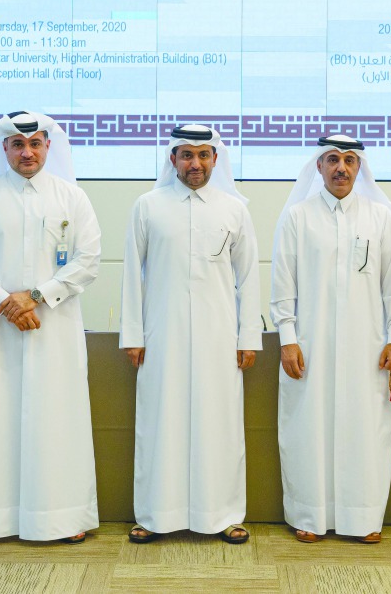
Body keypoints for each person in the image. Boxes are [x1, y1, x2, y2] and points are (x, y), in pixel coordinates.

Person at [0, 111, 101, 545]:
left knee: (56, 418)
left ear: (49, 147)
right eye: (18, 144)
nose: (28, 151)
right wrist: (5, 303)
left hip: (54, 328)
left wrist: (34, 297)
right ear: (5, 149)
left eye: (36, 143)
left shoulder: (72, 197)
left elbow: (88, 260)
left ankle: (62, 517)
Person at [120, 124, 263, 544]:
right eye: (186, 155)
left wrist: (248, 337)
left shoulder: (235, 209)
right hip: (160, 333)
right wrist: (133, 334)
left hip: (220, 335)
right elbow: (132, 272)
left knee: (219, 422)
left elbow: (249, 276)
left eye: (204, 155)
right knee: (159, 420)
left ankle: (223, 514)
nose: (195, 163)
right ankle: (153, 515)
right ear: (172, 159)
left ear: (216, 160)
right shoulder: (148, 206)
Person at [270, 134, 391, 543]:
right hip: (310, 345)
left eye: (349, 160)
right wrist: (288, 338)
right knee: (306, 430)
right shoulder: (297, 216)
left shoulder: (380, 218)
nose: (341, 168)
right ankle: (308, 516)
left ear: (360, 167)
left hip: (367, 348)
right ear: (319, 167)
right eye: (332, 160)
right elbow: (283, 285)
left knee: (366, 430)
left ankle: (363, 518)